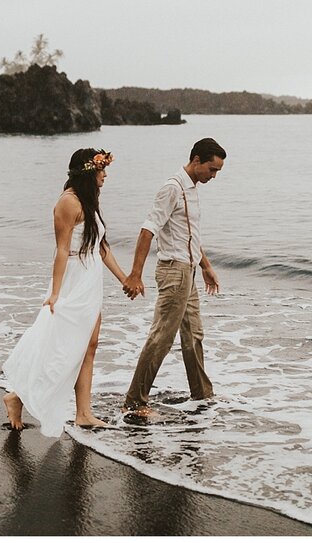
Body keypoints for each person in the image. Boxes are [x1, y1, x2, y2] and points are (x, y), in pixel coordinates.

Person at [2, 148, 129, 436]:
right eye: (102, 170)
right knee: (60, 346)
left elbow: (102, 245)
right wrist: (56, 293)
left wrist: (124, 278)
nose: (105, 176)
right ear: (88, 172)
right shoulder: (67, 203)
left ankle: (84, 413)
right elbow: (61, 249)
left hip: (91, 277)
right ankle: (17, 396)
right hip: (73, 279)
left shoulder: (89, 200)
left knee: (89, 345)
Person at [121, 138, 226, 416]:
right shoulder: (173, 188)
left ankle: (202, 395)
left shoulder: (192, 188)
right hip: (173, 272)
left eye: (217, 171)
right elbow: (147, 230)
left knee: (194, 336)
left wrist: (205, 266)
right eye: (212, 170)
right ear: (196, 160)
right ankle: (134, 401)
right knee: (161, 338)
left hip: (188, 271)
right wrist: (135, 274)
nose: (213, 176)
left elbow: (188, 234)